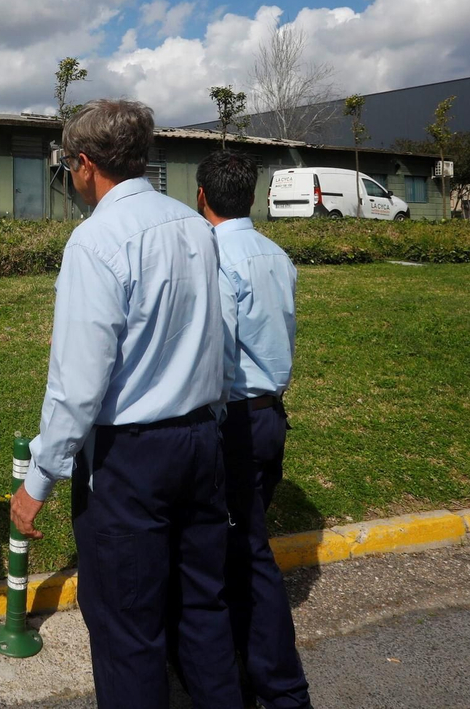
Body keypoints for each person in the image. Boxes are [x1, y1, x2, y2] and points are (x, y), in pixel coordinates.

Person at [12, 100, 242, 708]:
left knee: (128, 629)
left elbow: (78, 382)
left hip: (130, 459)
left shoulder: (95, 242)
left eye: (69, 167)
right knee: (203, 606)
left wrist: (38, 478)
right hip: (199, 440)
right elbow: (218, 332)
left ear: (85, 165)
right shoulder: (196, 226)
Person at [196, 150, 312, 709]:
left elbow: (217, 355)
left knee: (241, 551)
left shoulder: (216, 257)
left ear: (201, 198)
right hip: (271, 413)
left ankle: (276, 685)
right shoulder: (276, 255)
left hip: (233, 421)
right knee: (242, 543)